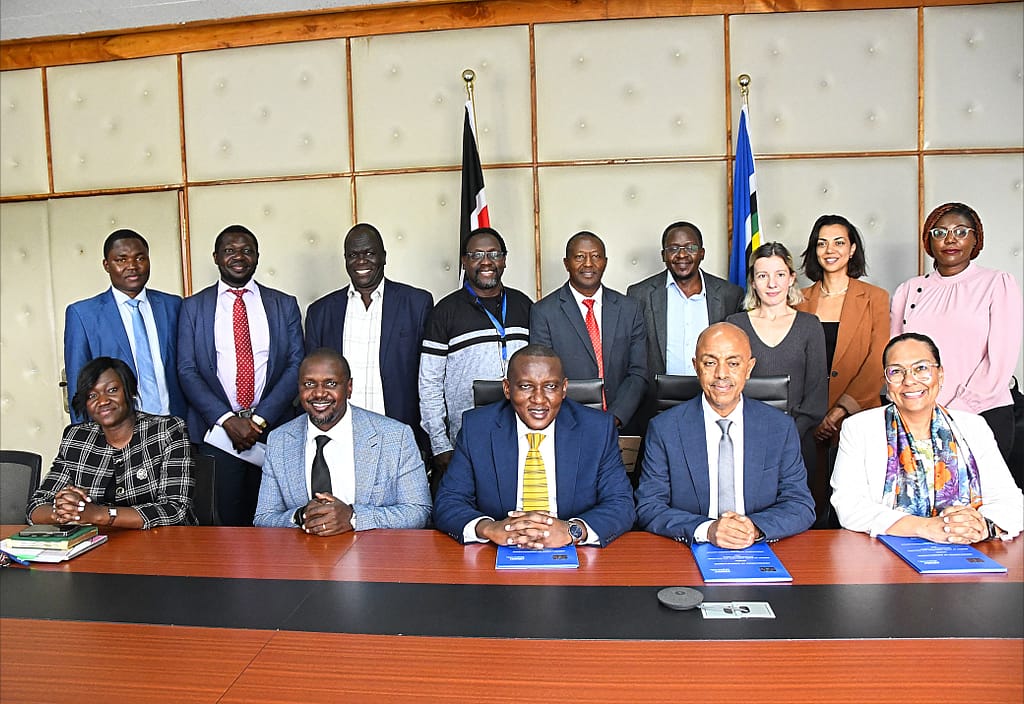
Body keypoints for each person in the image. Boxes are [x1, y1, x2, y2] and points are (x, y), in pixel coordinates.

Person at [433, 344, 635, 548]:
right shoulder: (477, 428)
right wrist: (489, 528)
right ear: (507, 389)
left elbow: (621, 503)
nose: (539, 399)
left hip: (575, 550)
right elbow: (449, 501)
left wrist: (573, 530)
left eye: (551, 386)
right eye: (525, 386)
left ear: (564, 388)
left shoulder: (597, 429)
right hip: (494, 551)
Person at [635, 323, 815, 546]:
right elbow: (649, 506)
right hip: (689, 549)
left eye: (733, 363)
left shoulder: (780, 427)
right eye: (710, 363)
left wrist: (754, 529)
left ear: (749, 368)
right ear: (696, 366)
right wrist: (708, 530)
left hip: (758, 546)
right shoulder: (665, 428)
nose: (721, 374)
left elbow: (800, 504)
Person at [831, 333, 1022, 542]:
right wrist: (925, 527)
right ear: (886, 380)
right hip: (884, 553)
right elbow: (849, 506)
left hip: (967, 548)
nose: (909, 380)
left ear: (940, 374)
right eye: (896, 371)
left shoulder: (973, 427)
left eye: (921, 368)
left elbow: (1011, 501)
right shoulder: (859, 428)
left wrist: (982, 527)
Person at [177, 225, 304, 526]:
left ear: (257, 257)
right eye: (230, 251)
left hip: (274, 431)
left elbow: (296, 364)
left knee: (276, 521)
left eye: (247, 251)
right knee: (225, 525)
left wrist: (259, 420)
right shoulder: (193, 307)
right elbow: (187, 370)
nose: (239, 257)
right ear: (216, 257)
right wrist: (227, 420)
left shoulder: (283, 304)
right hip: (217, 434)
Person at [891, 202, 1023, 462]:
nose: (950, 239)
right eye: (939, 233)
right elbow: (896, 358)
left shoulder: (997, 283)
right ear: (929, 241)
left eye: (961, 232)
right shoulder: (909, 290)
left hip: (982, 414)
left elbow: (1000, 360)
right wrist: (912, 408)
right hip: (919, 417)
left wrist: (958, 410)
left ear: (976, 239)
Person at [254, 349, 431, 533]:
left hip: (371, 549)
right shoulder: (280, 440)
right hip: (304, 550)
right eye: (309, 384)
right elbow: (264, 517)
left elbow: (418, 511)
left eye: (330, 383)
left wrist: (352, 517)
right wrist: (301, 516)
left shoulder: (395, 436)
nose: (319, 393)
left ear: (349, 388)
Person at [304, 223, 433, 450]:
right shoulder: (320, 312)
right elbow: (311, 383)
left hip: (398, 434)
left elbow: (429, 377)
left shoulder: (417, 304)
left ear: (384, 256)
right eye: (353, 255)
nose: (361, 261)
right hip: (338, 437)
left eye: (369, 253)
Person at [795, 215, 889, 524]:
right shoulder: (798, 300)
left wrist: (838, 412)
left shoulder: (875, 297)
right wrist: (815, 414)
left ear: (852, 249)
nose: (830, 250)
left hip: (856, 416)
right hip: (807, 419)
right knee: (809, 502)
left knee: (851, 511)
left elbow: (878, 361)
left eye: (838, 242)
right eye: (822, 243)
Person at [26, 356, 195, 528]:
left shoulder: (167, 430)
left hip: (163, 540)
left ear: (130, 391)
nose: (103, 401)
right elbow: (36, 506)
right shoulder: (76, 438)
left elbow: (175, 510)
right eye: (92, 395)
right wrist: (66, 511)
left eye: (112, 390)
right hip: (98, 541)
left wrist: (99, 515)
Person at [419, 227, 531, 481]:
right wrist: (440, 445)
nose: (486, 261)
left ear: (504, 259)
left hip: (523, 436)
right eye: (476, 254)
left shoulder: (524, 305)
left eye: (494, 254)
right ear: (464, 261)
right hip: (465, 443)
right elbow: (429, 383)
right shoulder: (444, 311)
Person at [726, 242, 827, 489]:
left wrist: (787, 434)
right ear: (752, 282)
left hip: (797, 442)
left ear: (791, 279)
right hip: (744, 440)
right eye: (763, 276)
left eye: (780, 275)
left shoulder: (809, 325)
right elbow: (727, 384)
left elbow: (816, 394)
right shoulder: (735, 324)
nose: (772, 284)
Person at [626, 221, 743, 430]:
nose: (682, 255)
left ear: (702, 253)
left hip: (713, 399)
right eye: (673, 248)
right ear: (663, 255)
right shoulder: (640, 294)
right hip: (657, 406)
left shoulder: (729, 295)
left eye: (690, 247)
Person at [64, 229, 185, 424]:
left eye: (140, 258)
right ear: (106, 265)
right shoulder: (83, 314)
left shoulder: (173, 306)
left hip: (174, 425)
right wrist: (84, 434)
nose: (132, 266)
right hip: (117, 431)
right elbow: (78, 386)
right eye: (121, 260)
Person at [530, 231, 648, 428]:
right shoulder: (544, 312)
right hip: (568, 423)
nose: (588, 264)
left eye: (596, 256)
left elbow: (638, 372)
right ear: (566, 263)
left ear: (605, 262)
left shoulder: (630, 308)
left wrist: (616, 417)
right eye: (579, 257)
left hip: (621, 424)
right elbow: (545, 376)